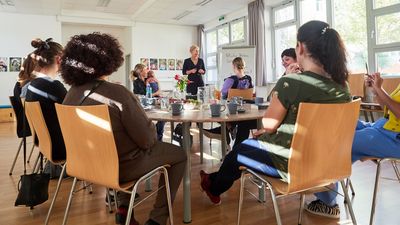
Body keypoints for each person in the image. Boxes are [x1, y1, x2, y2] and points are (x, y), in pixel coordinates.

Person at [199, 20, 352, 220]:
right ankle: (212, 182)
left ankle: (213, 186)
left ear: (301, 47)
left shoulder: (291, 82)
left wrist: (286, 79)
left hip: (288, 166)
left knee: (238, 152)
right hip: (328, 166)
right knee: (243, 149)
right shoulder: (343, 88)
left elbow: (269, 125)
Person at [61, 33, 186, 225]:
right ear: (108, 60)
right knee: (179, 154)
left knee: (122, 145)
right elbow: (147, 140)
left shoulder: (70, 95)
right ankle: (157, 219)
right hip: (120, 168)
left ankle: (123, 208)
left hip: (85, 165)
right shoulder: (118, 93)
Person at [310, 72, 400, 219]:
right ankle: (326, 192)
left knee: (338, 140)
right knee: (343, 126)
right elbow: (388, 108)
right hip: (384, 128)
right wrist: (376, 90)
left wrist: (380, 88)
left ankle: (327, 201)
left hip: (395, 139)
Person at [25, 38, 67, 160]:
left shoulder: (33, 84)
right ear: (59, 59)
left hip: (45, 144)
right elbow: (73, 112)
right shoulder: (53, 86)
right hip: (60, 147)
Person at [203, 57, 254, 145]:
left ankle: (225, 129)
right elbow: (251, 92)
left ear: (234, 66)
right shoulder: (248, 79)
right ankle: (228, 128)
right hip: (245, 109)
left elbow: (223, 93)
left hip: (231, 110)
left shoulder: (230, 79)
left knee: (220, 105)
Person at [132, 64, 165, 141]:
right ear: (140, 72)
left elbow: (158, 89)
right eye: (145, 69)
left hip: (154, 102)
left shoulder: (149, 79)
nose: (147, 70)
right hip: (144, 105)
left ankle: (158, 136)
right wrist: (156, 93)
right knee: (148, 121)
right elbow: (142, 95)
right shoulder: (136, 82)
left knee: (163, 118)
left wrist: (158, 84)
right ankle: (156, 137)